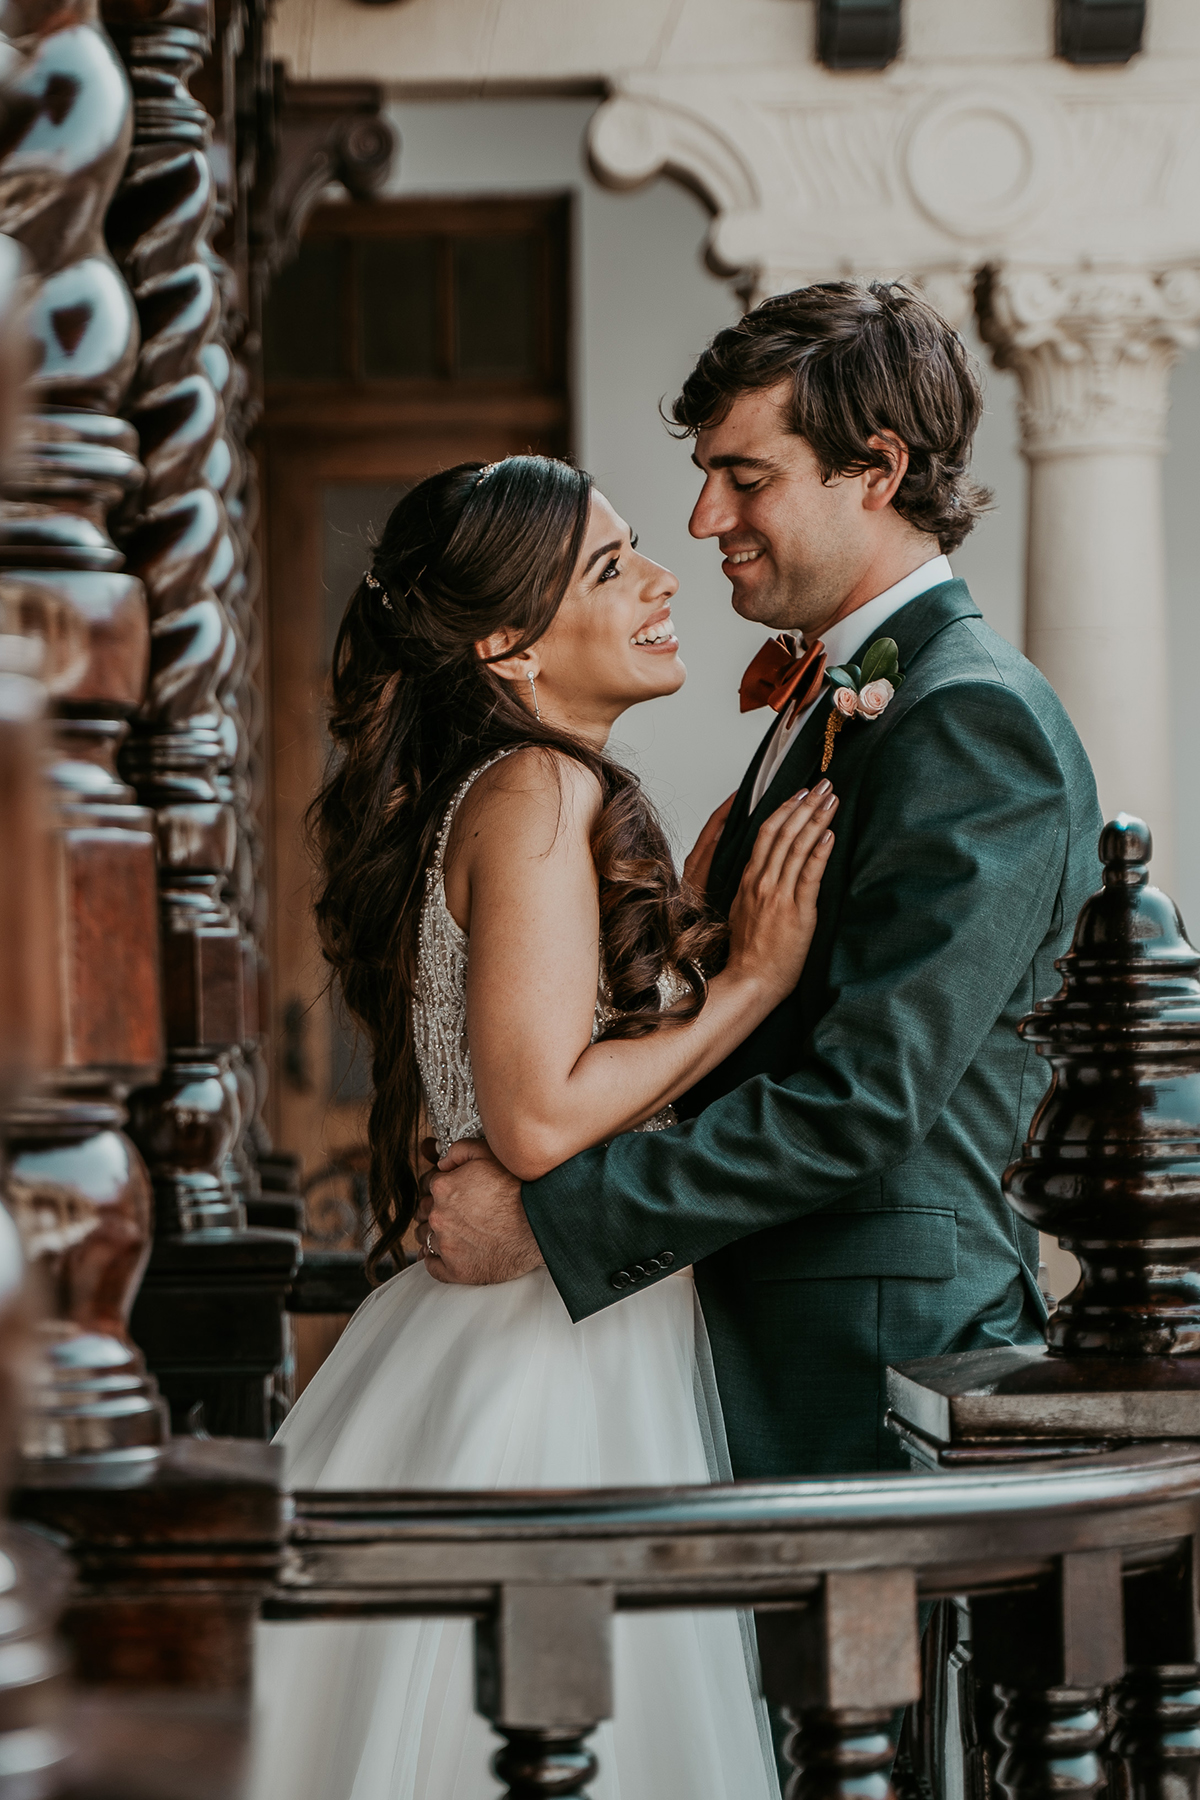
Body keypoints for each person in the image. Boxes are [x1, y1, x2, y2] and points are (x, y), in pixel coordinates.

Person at [418, 280, 1104, 1482]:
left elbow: (865, 1099)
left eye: (745, 476)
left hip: (870, 1351)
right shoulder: (839, 697)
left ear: (876, 469)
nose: (702, 518)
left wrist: (549, 1221)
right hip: (753, 1321)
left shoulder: (969, 718)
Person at [251, 454, 838, 1800]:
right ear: (507, 642)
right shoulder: (535, 791)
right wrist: (746, 984)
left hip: (560, 1316)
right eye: (610, 568)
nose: (660, 579)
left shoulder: (532, 792)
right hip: (546, 1351)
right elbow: (533, 1116)